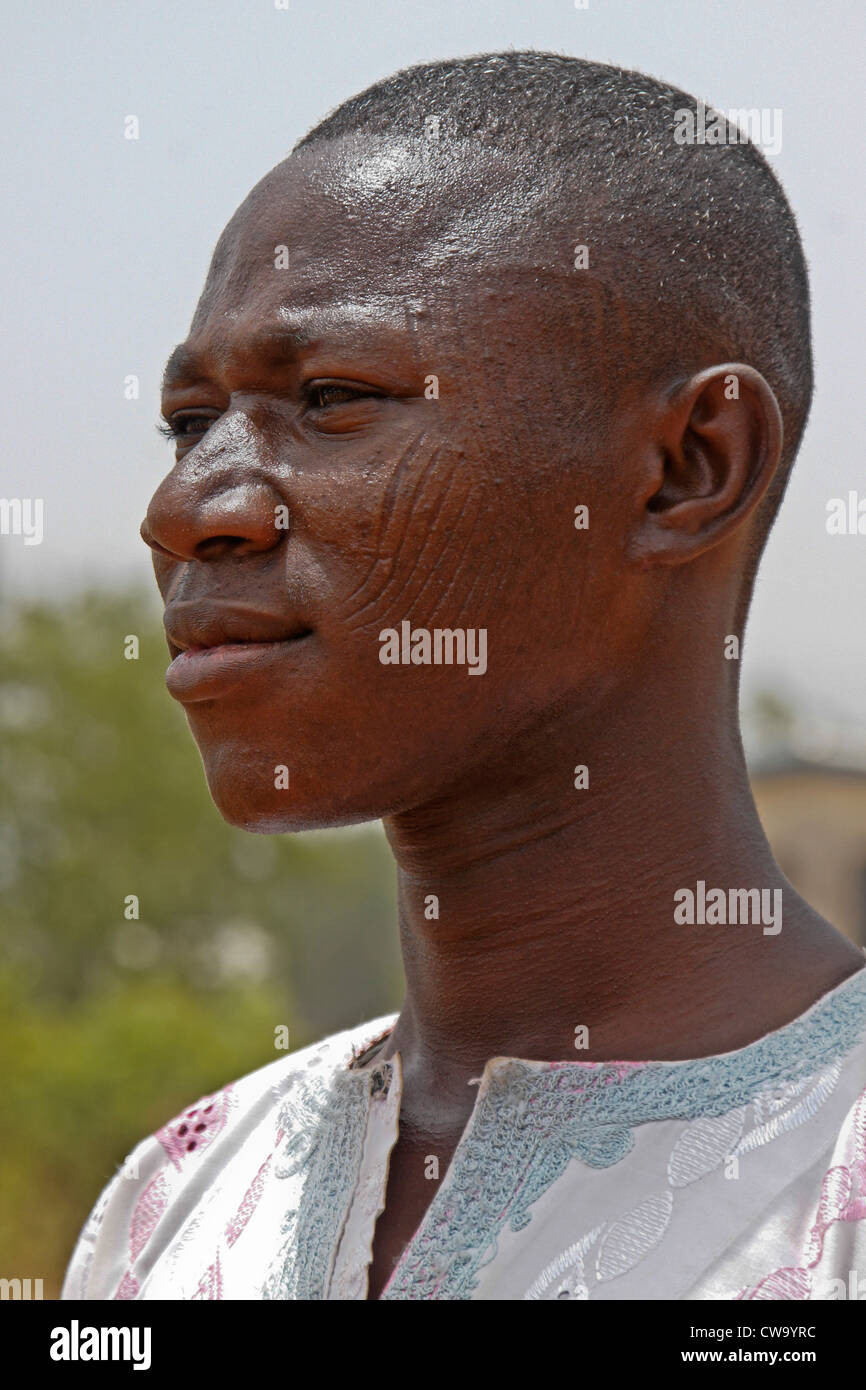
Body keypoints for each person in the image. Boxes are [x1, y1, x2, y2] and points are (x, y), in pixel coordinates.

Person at [63, 51, 866, 1301]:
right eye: (186, 421)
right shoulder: (180, 1198)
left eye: (329, 397)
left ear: (687, 469)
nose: (184, 509)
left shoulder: (833, 1179)